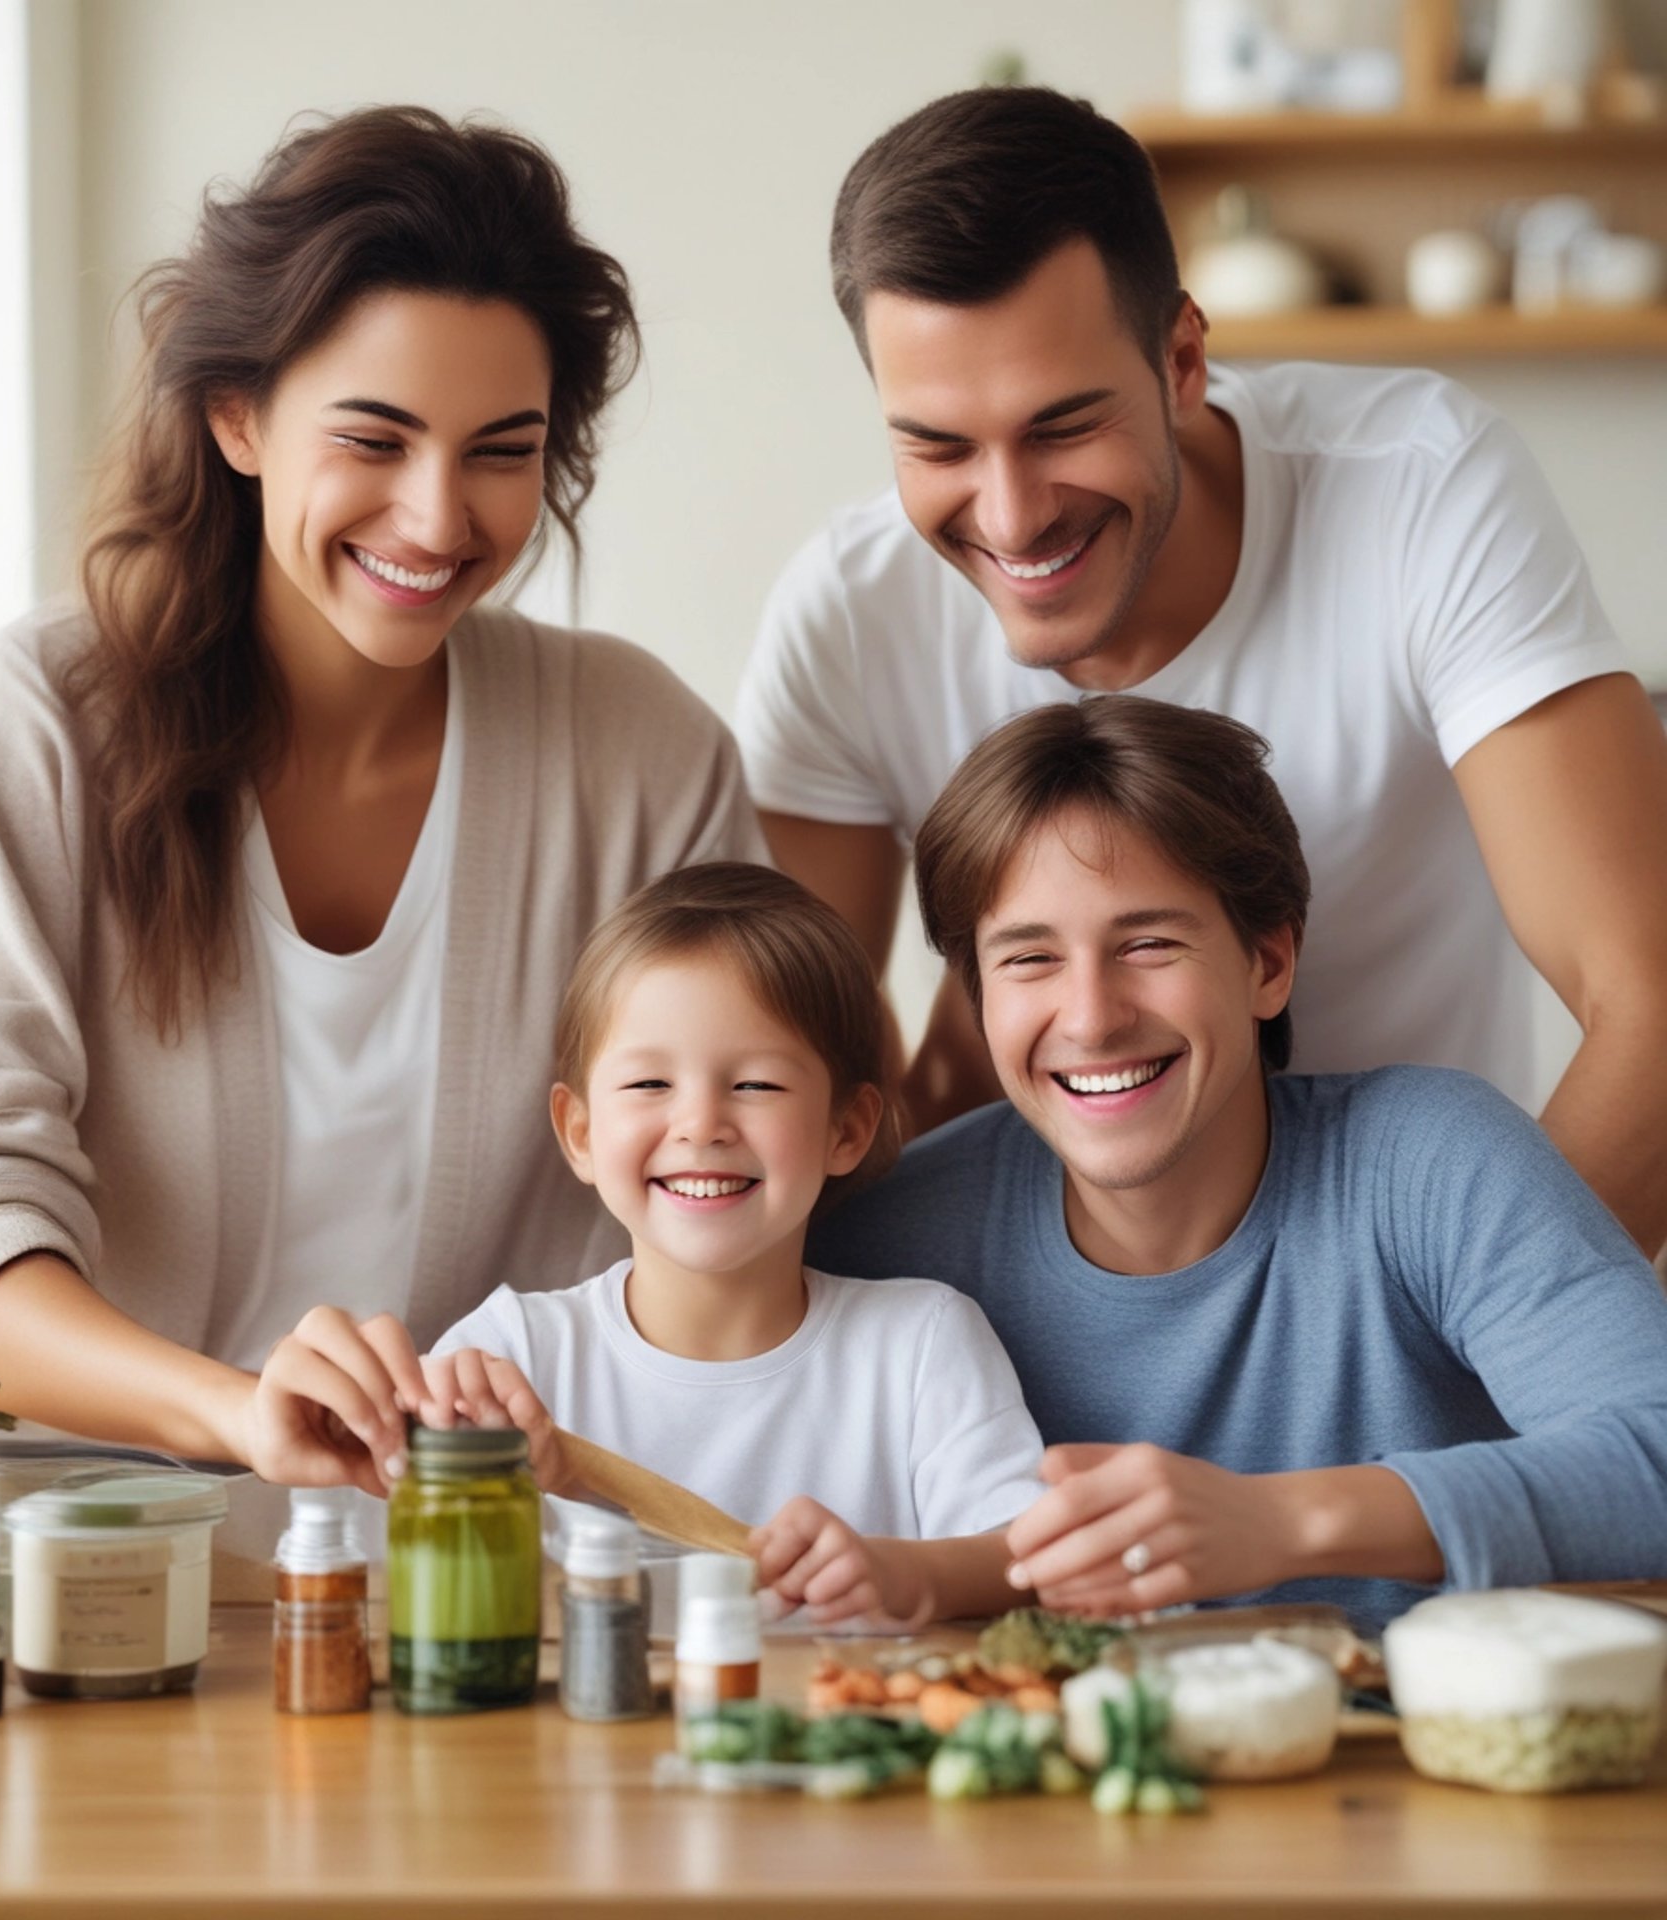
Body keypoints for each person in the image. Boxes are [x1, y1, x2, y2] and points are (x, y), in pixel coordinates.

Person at [0, 107, 765, 1501]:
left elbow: (746, 1205)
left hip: (520, 1595)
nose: (440, 519)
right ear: (239, 415)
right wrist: (231, 1410)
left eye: (501, 451)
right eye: (376, 440)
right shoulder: (49, 719)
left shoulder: (643, 758)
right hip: (109, 1593)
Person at [736, 85, 1667, 1251]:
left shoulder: (1419, 490)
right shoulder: (848, 616)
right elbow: (793, 1077)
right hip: (1020, 1320)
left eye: (1063, 425)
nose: (1013, 516)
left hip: (1411, 1274)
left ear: (1182, 361)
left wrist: (1458, 1348)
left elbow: (1651, 1006)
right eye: (937, 444)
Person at [809, 695, 1667, 1631]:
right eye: (1030, 960)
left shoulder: (1435, 1161)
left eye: (1148, 944)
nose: (1092, 1017)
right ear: (979, 1000)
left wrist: (1281, 1519)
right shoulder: (884, 1234)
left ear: (1267, 962)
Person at [408, 863, 1047, 1628]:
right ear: (579, 1132)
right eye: (650, 1085)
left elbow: (1028, 1558)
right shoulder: (505, 1358)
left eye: (756, 1086)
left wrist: (901, 1571)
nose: (701, 1124)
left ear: (846, 1129)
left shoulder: (919, 1344)